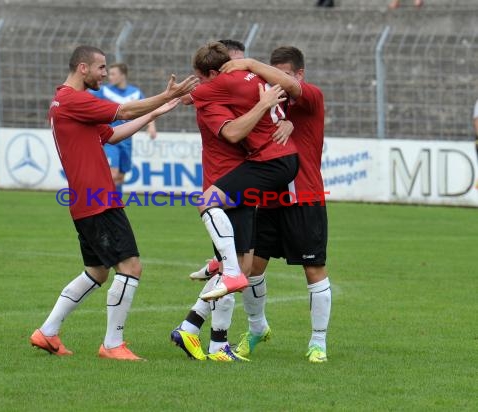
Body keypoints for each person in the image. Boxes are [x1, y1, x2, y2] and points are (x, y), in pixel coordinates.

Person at [30, 45, 198, 360]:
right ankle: (112, 344)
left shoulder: (65, 102)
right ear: (83, 68)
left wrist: (157, 111)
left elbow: (112, 134)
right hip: (98, 200)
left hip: (87, 200)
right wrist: (164, 96)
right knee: (131, 266)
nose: (105, 74)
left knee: (97, 272)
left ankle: (47, 332)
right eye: (101, 68)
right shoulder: (73, 100)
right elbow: (123, 111)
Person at [170, 40, 294, 362]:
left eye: (239, 64)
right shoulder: (212, 102)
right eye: (229, 66)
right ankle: (214, 341)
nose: (236, 72)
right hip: (225, 183)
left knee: (243, 266)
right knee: (235, 268)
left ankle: (195, 330)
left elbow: (282, 103)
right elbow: (234, 133)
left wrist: (285, 119)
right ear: (215, 72)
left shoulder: (235, 88)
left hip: (245, 180)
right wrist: (263, 105)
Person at [220, 46, 331, 363]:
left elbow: (294, 92)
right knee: (252, 268)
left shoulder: (311, 96)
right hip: (269, 197)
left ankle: (318, 342)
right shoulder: (266, 105)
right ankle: (257, 328)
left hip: (304, 197)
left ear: (299, 74)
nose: (277, 83)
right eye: (273, 75)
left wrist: (252, 63)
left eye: (282, 75)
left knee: (313, 269)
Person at [189, 42, 300, 302]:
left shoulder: (219, 84)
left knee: (206, 202)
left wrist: (167, 99)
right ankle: (222, 270)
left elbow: (185, 98)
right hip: (282, 158)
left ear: (212, 74)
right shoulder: (257, 75)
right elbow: (293, 89)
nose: (198, 82)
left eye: (200, 77)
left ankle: (228, 271)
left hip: (270, 161)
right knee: (242, 257)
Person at [89, 63, 156, 193]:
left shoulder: (135, 93)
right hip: (110, 139)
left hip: (127, 141)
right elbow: (84, 99)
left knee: (120, 177)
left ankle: (116, 207)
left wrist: (151, 126)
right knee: (112, 174)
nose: (109, 77)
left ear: (123, 75)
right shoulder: (104, 91)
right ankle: (104, 206)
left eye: (113, 74)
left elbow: (147, 110)